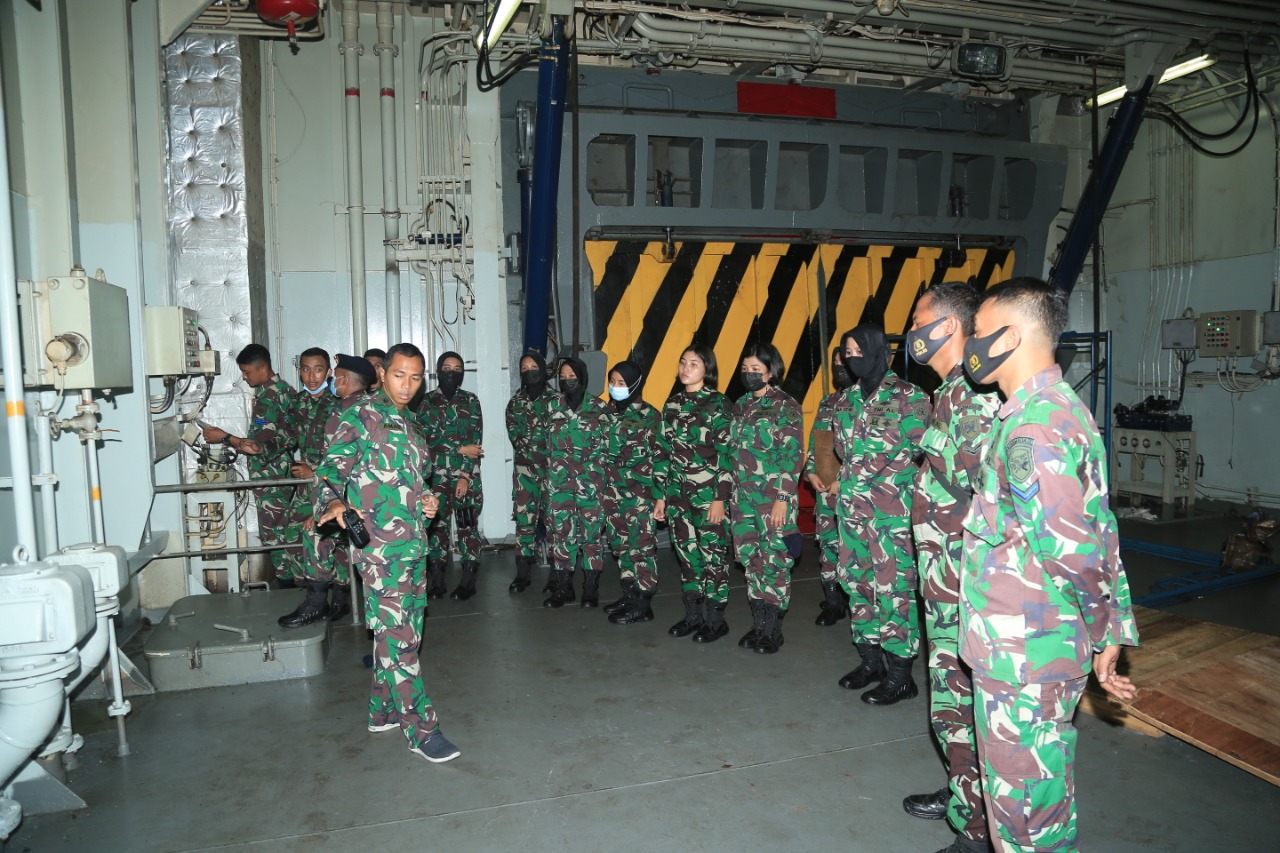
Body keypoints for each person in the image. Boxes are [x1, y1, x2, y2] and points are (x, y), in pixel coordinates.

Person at [959, 277, 1137, 852]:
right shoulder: (1053, 411)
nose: (972, 346)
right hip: (1029, 648)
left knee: (1028, 822)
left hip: (1026, 657)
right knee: (1026, 808)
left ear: (1011, 336)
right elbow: (1100, 529)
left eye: (980, 333)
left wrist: (1107, 626)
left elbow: (1073, 549)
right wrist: (1116, 625)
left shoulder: (1034, 427)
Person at [315, 342, 461, 764]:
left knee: (401, 634)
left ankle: (381, 711)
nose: (407, 385)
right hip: (380, 551)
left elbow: (413, 482)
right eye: (400, 375)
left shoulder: (411, 425)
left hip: (413, 546)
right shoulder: (360, 417)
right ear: (383, 374)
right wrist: (336, 504)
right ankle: (422, 729)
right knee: (400, 640)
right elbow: (327, 474)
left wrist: (429, 500)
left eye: (416, 378)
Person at [898, 282, 1001, 853]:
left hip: (968, 588)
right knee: (950, 706)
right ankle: (965, 795)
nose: (911, 332)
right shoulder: (949, 393)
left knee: (966, 706)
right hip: (944, 585)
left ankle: (978, 833)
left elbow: (993, 504)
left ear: (948, 328)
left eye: (919, 321)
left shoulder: (976, 398)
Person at [833, 322, 930, 705]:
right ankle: (871, 662)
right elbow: (843, 454)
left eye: (859, 350)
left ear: (877, 351)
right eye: (847, 352)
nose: (851, 358)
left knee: (894, 592)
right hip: (853, 514)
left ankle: (902, 675)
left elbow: (927, 457)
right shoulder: (845, 401)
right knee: (858, 586)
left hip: (892, 518)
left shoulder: (910, 398)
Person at [201, 344, 302, 587]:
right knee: (284, 532)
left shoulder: (269, 397)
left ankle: (288, 589)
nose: (244, 377)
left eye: (247, 372)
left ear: (263, 368)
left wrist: (224, 437)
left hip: (272, 478)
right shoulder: (284, 390)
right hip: (281, 471)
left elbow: (256, 448)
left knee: (275, 537)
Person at [653, 345, 734, 642]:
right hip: (677, 496)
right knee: (688, 557)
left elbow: (727, 454)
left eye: (694, 364)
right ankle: (693, 615)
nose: (686, 368)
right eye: (683, 362)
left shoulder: (718, 404)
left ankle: (715, 620)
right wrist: (660, 495)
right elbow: (662, 452)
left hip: (707, 496)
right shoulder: (671, 405)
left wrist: (720, 498)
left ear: (706, 369)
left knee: (713, 557)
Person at [729, 343, 804, 654]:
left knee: (774, 562)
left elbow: (793, 455)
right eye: (745, 370)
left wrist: (784, 498)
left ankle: (773, 629)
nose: (749, 375)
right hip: (743, 499)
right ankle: (759, 623)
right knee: (752, 562)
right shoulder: (741, 405)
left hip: (773, 499)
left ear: (771, 371)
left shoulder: (785, 406)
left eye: (755, 371)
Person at [294, 354, 379, 628]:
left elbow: (335, 466)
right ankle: (343, 600)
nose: (332, 382)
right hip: (375, 499)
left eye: (334, 377)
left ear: (341, 379)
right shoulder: (378, 406)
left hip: (348, 499)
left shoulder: (343, 411)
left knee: (314, 532)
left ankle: (316, 603)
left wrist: (323, 509)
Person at [414, 352, 484, 601]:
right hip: (435, 479)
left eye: (457, 368)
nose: (451, 373)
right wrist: (457, 448)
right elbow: (424, 441)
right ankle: (438, 581)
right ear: (437, 370)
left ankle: (468, 581)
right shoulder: (425, 403)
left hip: (466, 477)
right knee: (437, 529)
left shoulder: (471, 401)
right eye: (446, 367)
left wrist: (465, 474)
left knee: (467, 527)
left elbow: (474, 443)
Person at [543, 357, 611, 608]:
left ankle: (590, 589)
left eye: (572, 374)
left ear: (582, 377)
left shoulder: (599, 408)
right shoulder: (552, 407)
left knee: (592, 536)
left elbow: (608, 449)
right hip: (559, 485)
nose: (567, 379)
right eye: (563, 375)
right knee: (562, 535)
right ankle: (564, 588)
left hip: (591, 485)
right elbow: (545, 446)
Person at [278, 347, 338, 627]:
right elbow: (286, 439)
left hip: (333, 483)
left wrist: (315, 470)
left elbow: (346, 452)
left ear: (328, 372)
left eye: (317, 369)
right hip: (307, 484)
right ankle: (318, 597)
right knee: (297, 534)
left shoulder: (340, 405)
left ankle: (329, 600)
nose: (311, 376)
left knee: (322, 535)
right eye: (305, 369)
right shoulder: (297, 403)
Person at [599, 360, 661, 625]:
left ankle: (643, 603)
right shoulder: (605, 414)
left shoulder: (650, 416)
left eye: (622, 383)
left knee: (641, 548)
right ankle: (630, 593)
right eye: (612, 382)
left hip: (639, 496)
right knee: (621, 547)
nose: (615, 387)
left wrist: (660, 496)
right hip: (611, 494)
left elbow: (660, 459)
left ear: (635, 384)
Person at [804, 348, 855, 627]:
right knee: (829, 546)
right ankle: (833, 603)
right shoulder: (828, 402)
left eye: (844, 363)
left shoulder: (868, 402)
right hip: (826, 494)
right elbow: (817, 442)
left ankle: (859, 603)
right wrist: (811, 472)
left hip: (855, 493)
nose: (840, 369)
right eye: (836, 364)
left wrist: (843, 479)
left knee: (856, 551)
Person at [505, 350, 552, 593]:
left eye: (534, 366)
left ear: (543, 369)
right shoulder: (516, 403)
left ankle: (558, 575)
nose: (529, 371)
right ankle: (522, 574)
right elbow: (516, 438)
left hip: (554, 473)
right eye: (524, 368)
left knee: (554, 522)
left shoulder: (557, 400)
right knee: (524, 523)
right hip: (525, 474)